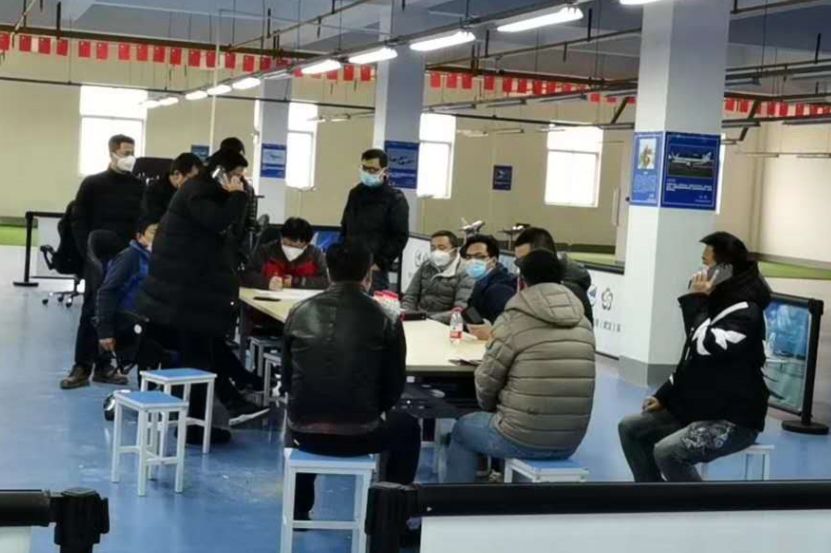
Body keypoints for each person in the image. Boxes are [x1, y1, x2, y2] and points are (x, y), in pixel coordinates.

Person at [282, 240, 420, 522]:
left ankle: (299, 508)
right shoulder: (386, 317)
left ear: (328, 272)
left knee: (303, 405)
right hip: (361, 433)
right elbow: (394, 385)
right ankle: (389, 517)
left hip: (303, 433)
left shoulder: (298, 312)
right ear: (368, 275)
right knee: (407, 427)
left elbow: (288, 379)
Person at [618, 232, 771, 482]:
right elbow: (691, 360)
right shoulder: (716, 303)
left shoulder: (746, 312)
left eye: (705, 263)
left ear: (724, 269)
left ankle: (698, 504)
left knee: (668, 453)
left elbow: (705, 347)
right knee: (630, 429)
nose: (700, 270)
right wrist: (664, 395)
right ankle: (651, 496)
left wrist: (697, 303)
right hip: (702, 408)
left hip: (734, 419)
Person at [443, 249, 596, 482]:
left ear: (521, 281)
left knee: (463, 429)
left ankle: (454, 501)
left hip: (520, 437)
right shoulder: (583, 322)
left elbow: (486, 382)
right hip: (570, 440)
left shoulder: (513, 319)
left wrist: (491, 408)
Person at [136, 148, 253, 444]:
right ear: (220, 173)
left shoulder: (201, 192)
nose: (240, 182)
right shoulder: (198, 193)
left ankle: (213, 414)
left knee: (204, 359)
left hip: (185, 295)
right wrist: (238, 196)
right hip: (184, 298)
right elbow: (218, 221)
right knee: (197, 365)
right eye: (236, 175)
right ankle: (195, 429)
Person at [61, 134, 144, 389]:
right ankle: (81, 366)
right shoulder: (93, 184)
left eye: (132, 152)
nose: (130, 158)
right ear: (112, 154)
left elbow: (142, 220)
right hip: (97, 258)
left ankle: (105, 366)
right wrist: (87, 252)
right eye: (126, 153)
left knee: (116, 312)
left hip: (125, 258)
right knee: (91, 311)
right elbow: (78, 220)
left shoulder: (138, 187)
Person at [340, 148, 410, 292]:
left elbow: (400, 236)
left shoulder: (395, 198)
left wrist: (381, 262)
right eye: (364, 168)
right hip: (350, 264)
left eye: (373, 169)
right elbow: (345, 226)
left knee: (371, 304)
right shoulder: (355, 193)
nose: (368, 173)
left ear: (384, 171)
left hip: (374, 269)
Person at [95, 221, 157, 355]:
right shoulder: (130, 257)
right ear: (139, 236)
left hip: (156, 320)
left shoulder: (163, 259)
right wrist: (104, 331)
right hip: (133, 323)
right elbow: (107, 291)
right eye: (154, 232)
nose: (160, 237)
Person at [513, 227, 593, 323]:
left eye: (523, 261)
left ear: (542, 256)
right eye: (517, 262)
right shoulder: (533, 285)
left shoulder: (571, 295)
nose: (521, 269)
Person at [402, 230, 474, 324]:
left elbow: (459, 309)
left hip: (444, 323)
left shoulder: (466, 271)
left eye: (441, 247)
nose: (436, 252)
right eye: (433, 248)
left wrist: (429, 320)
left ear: (455, 250)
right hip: (419, 318)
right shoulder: (426, 265)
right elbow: (410, 295)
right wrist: (407, 314)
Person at [242, 217, 329, 290]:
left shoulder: (315, 254)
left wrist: (297, 282)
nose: (289, 249)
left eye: (294, 246)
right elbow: (246, 276)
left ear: (306, 243)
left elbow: (325, 281)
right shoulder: (266, 251)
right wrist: (267, 283)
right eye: (285, 244)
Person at [210, 137, 258, 267]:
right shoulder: (212, 184)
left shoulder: (247, 188)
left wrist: (245, 251)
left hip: (236, 245)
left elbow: (250, 222)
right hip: (214, 244)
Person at [461, 234, 516, 339]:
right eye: (468, 257)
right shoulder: (481, 282)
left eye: (479, 257)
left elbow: (503, 331)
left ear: (493, 261)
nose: (472, 261)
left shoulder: (500, 289)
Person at [141, 153, 203, 227]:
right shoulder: (154, 192)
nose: (195, 183)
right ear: (177, 175)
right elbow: (158, 223)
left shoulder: (195, 191)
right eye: (191, 179)